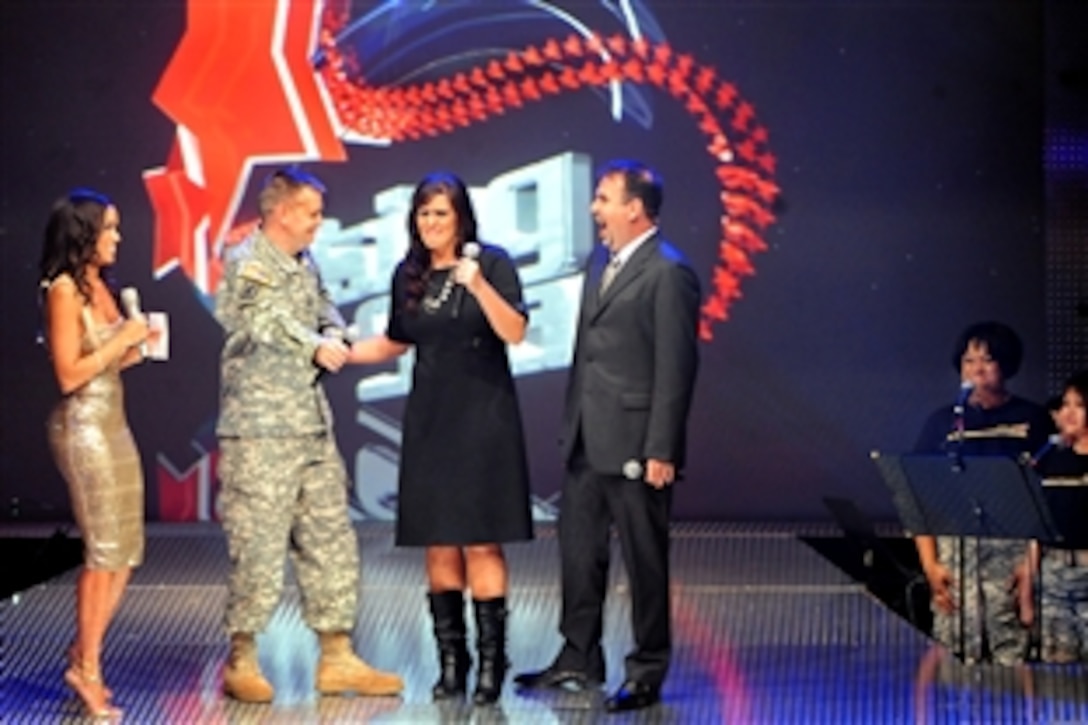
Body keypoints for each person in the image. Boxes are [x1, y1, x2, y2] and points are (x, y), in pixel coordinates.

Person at [514, 159, 701, 713]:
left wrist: (661, 447)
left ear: (634, 208)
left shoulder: (669, 273)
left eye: (603, 198)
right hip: (587, 438)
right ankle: (578, 655)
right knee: (578, 552)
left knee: (645, 558)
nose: (595, 209)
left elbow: (676, 367)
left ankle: (646, 669)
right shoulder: (604, 264)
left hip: (638, 445)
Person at [214, 167, 403, 703]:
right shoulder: (247, 261)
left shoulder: (304, 261)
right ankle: (242, 657)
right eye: (313, 212)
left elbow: (322, 304)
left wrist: (335, 330)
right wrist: (312, 345)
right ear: (282, 213)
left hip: (311, 424)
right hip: (261, 431)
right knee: (257, 545)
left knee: (330, 538)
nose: (320, 222)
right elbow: (260, 320)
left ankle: (338, 655)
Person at [347, 171, 533, 705]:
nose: (431, 223)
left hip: (484, 420)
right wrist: (334, 350)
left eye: (440, 213)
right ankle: (453, 662)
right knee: (438, 543)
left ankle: (493, 665)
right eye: (423, 213)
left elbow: (514, 331)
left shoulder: (491, 263)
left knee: (481, 539)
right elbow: (395, 341)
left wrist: (476, 284)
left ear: (461, 218)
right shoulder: (409, 273)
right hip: (430, 421)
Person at [39, 189, 153, 718]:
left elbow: (106, 361)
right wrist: (120, 340)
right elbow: (68, 375)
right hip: (84, 430)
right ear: (84, 233)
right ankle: (87, 667)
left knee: (126, 551)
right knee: (104, 551)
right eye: (108, 229)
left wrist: (137, 346)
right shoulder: (63, 290)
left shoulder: (99, 286)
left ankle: (84, 651)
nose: (116, 238)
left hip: (115, 425)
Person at [912, 321, 1053, 665]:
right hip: (956, 553)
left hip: (1013, 553)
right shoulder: (943, 422)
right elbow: (918, 494)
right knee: (953, 652)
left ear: (1005, 365)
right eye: (968, 360)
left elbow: (1049, 499)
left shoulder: (1031, 418)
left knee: (1013, 653)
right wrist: (929, 563)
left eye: (986, 360)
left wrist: (1031, 562)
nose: (976, 368)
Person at [1035, 371, 1088, 662]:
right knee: (1057, 670)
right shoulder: (1051, 459)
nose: (1068, 412)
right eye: (1065, 404)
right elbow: (1037, 525)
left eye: (1078, 405)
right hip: (1053, 576)